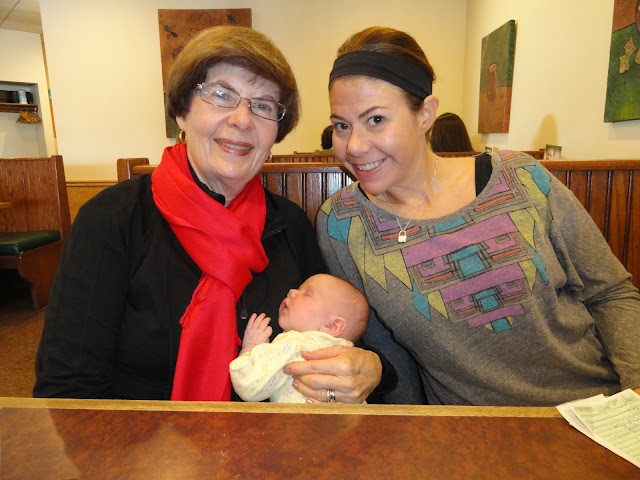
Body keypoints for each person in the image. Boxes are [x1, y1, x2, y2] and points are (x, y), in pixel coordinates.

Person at [33, 26, 384, 403]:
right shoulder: (111, 220)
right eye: (221, 94)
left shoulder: (291, 225)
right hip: (147, 437)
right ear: (182, 112)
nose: (242, 119)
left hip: (280, 436)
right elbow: (67, 390)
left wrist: (370, 366)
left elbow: (339, 339)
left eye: (263, 105)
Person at [315, 26, 640, 406]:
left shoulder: (520, 177)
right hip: (470, 432)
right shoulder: (343, 223)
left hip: (595, 408)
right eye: (341, 126)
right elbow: (386, 352)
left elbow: (610, 293)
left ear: (425, 114)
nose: (354, 146)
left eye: (375, 120)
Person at [230, 274, 369, 403]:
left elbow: (248, 386)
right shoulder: (350, 364)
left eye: (307, 294)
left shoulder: (295, 343)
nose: (291, 291)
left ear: (332, 325)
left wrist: (251, 348)